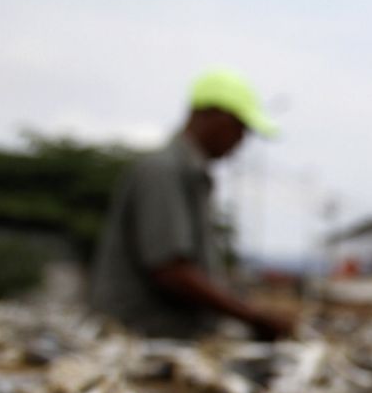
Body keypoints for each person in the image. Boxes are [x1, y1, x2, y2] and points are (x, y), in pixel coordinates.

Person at [90, 68, 294, 339]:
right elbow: (170, 270)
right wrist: (252, 316)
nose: (241, 141)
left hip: (165, 334)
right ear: (215, 115)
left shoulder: (189, 176)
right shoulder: (163, 171)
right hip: (141, 335)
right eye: (240, 128)